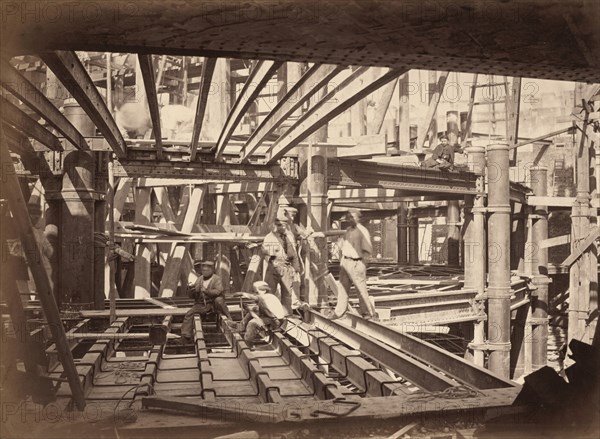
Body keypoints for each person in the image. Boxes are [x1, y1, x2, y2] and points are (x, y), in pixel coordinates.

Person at [337, 209, 377, 320]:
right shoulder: (348, 231)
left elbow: (367, 250)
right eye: (349, 217)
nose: (350, 219)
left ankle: (368, 314)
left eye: (353, 217)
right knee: (343, 288)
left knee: (361, 289)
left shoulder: (362, 231)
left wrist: (362, 264)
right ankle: (340, 313)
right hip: (345, 262)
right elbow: (342, 246)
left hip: (356, 262)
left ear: (358, 218)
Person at [180, 260, 231, 342]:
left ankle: (229, 318)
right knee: (189, 313)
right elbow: (193, 296)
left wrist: (206, 291)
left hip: (212, 303)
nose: (204, 272)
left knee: (219, 300)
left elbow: (218, 291)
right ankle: (186, 335)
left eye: (207, 270)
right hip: (201, 304)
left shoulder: (216, 279)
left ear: (211, 270)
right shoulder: (199, 279)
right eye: (203, 270)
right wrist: (191, 291)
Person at [262, 219, 302, 314]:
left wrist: (296, 268)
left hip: (286, 268)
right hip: (274, 268)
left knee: (287, 293)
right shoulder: (269, 237)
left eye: (283, 225)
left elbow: (294, 253)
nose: (282, 227)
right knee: (270, 292)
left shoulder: (289, 237)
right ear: (274, 226)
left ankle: (287, 314)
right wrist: (273, 260)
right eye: (279, 225)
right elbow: (264, 253)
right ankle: (268, 313)